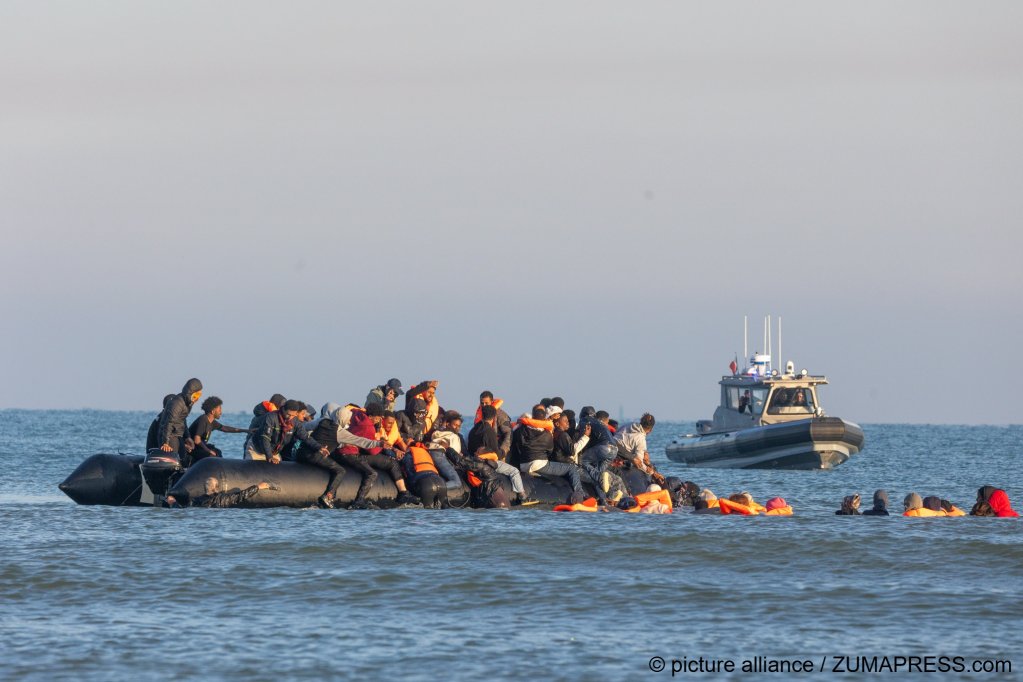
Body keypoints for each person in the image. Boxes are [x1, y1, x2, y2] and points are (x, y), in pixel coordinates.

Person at [337, 404, 420, 510]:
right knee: (392, 464)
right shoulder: (368, 426)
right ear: (371, 416)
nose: (379, 419)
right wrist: (380, 443)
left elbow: (353, 409)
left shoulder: (357, 413)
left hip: (342, 450)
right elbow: (372, 451)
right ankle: (402, 493)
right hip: (355, 453)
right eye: (378, 417)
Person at [467, 404, 536, 505]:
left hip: (475, 461)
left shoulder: (473, 430)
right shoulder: (489, 431)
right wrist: (503, 452)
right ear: (494, 417)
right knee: (514, 471)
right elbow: (495, 453)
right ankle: (522, 496)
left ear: (481, 415)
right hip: (488, 462)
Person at [512, 405, 583, 497]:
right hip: (539, 464)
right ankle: (580, 494)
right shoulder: (547, 434)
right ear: (543, 420)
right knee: (572, 468)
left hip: (523, 465)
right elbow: (549, 450)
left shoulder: (522, 430)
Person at [247, 400, 321, 463]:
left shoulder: (295, 422)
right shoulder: (271, 417)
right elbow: (265, 437)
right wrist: (269, 456)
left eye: (293, 415)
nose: (290, 417)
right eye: (288, 414)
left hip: (274, 452)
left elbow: (305, 437)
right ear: (283, 410)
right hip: (256, 449)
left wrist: (319, 447)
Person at [156, 378, 203, 463]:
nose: (197, 399)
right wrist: (165, 442)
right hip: (170, 436)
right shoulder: (177, 403)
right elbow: (169, 423)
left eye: (199, 396)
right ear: (190, 393)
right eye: (196, 396)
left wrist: (188, 437)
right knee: (174, 461)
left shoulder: (188, 403)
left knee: (183, 459)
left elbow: (183, 420)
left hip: (178, 435)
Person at [188, 397, 249, 461]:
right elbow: (197, 440)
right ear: (213, 411)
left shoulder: (212, 422)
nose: (221, 412)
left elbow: (225, 428)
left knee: (218, 452)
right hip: (192, 449)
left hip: (200, 448)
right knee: (211, 456)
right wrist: (209, 451)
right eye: (219, 409)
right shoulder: (203, 419)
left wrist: (245, 430)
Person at [614, 413, 663, 482]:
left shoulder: (629, 424)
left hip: (612, 447)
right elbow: (639, 464)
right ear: (651, 430)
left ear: (641, 422)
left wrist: (644, 452)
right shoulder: (641, 439)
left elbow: (616, 435)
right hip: (618, 455)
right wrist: (652, 472)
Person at [169, 477, 275, 508]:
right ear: (217, 488)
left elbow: (184, 509)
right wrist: (258, 487)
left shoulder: (196, 501)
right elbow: (242, 495)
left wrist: (173, 502)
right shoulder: (222, 499)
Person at [476, 391, 513, 458]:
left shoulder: (501, 415)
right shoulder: (480, 415)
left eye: (486, 403)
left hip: (498, 451)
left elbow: (508, 433)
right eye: (482, 403)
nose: (484, 405)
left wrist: (503, 451)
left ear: (492, 402)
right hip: (484, 451)